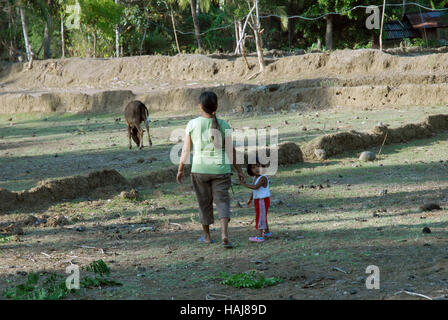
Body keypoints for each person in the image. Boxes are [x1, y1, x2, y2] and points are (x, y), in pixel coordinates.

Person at [177, 91, 245, 249]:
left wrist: (180, 169)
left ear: (200, 106)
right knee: (222, 201)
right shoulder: (224, 125)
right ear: (216, 106)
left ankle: (207, 237)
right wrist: (240, 171)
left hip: (199, 170)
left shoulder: (192, 124)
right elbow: (231, 151)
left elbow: (186, 150)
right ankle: (224, 235)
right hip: (221, 170)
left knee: (204, 203)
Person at [242, 160, 271, 243]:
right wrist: (250, 199)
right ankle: (267, 232)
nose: (257, 169)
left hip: (263, 200)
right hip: (258, 200)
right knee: (262, 216)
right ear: (250, 170)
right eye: (253, 167)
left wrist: (244, 184)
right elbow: (254, 191)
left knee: (260, 217)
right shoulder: (256, 177)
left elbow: (255, 187)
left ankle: (259, 236)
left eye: (258, 166)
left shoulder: (263, 178)